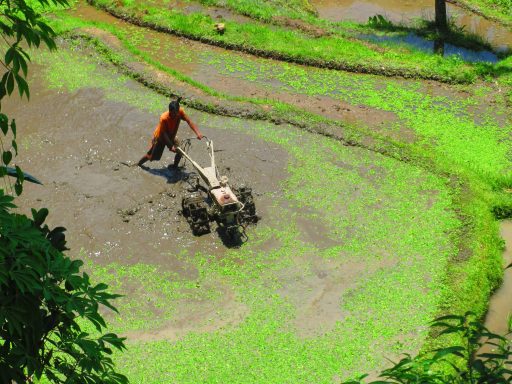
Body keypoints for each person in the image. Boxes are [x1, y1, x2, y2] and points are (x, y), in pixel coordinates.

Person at [137, 97, 203, 168]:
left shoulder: (180, 112)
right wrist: (171, 146)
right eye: (172, 114)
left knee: (180, 151)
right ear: (169, 111)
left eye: (176, 114)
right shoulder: (164, 118)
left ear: (178, 111)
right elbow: (164, 134)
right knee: (151, 156)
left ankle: (175, 167)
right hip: (160, 138)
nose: (174, 116)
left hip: (171, 135)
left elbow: (189, 121)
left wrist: (198, 133)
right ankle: (138, 164)